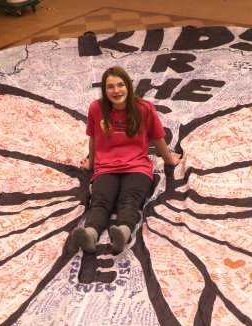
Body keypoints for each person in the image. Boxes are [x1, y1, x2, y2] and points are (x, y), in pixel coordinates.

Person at [71, 66, 184, 255]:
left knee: (129, 200)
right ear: (104, 91)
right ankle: (90, 235)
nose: (116, 91)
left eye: (120, 85)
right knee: (100, 201)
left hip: (137, 167)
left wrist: (169, 160)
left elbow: (157, 137)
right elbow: (94, 137)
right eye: (110, 87)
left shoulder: (144, 108)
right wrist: (91, 162)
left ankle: (123, 232)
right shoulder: (96, 108)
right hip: (106, 167)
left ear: (129, 86)